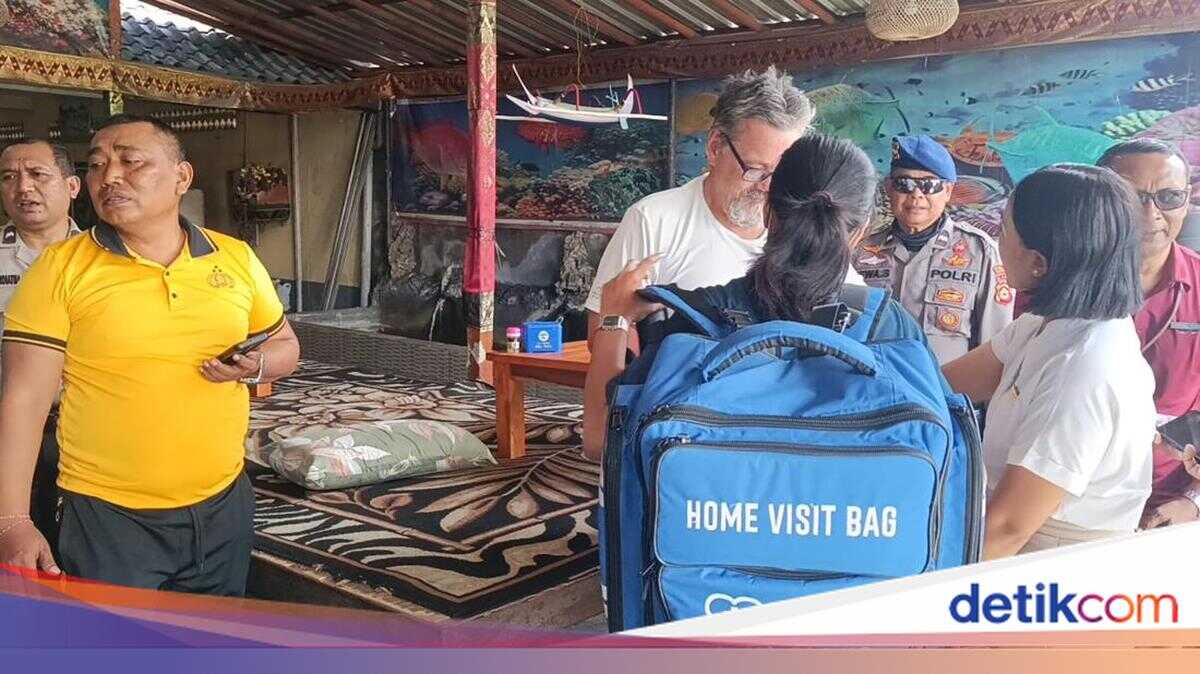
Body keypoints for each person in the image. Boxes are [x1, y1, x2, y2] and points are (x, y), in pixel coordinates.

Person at [0, 114, 300, 596]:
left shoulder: (235, 258)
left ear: (182, 177)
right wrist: (11, 520)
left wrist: (256, 365)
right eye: (97, 166)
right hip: (109, 517)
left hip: (224, 503)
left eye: (130, 162)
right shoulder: (61, 269)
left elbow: (286, 346)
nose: (109, 177)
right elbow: (23, 401)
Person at [583, 134, 925, 459]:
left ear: (766, 212)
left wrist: (615, 319)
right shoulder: (891, 328)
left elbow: (600, 441)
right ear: (862, 230)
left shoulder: (695, 323)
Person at [943, 164, 1156, 559]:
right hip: (1011, 531)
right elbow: (943, 385)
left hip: (1052, 562)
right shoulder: (1046, 325)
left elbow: (1007, 529)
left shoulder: (1083, 370)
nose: (997, 240)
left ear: (1039, 262)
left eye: (1003, 231)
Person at [586, 67, 858, 349]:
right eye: (756, 169)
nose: (768, 187)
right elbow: (604, 328)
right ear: (715, 147)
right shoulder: (654, 221)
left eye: (782, 173)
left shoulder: (806, 226)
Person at [1094, 139, 1200, 529]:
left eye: (1169, 197)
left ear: (1187, 200)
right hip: (1066, 499)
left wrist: (1194, 501)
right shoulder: (1053, 282)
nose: (1150, 213)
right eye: (1129, 197)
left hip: (1166, 509)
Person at [853, 136, 1013, 364]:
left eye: (929, 185)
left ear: (948, 191)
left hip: (944, 395)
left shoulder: (981, 252)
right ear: (889, 188)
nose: (917, 195)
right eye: (904, 184)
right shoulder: (861, 252)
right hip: (875, 391)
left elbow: (996, 349)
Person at [0, 139, 83, 550]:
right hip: (8, 424)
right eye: (9, 177)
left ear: (72, 186)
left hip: (85, 426)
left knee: (72, 540)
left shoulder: (105, 259)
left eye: (37, 175)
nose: (23, 188)